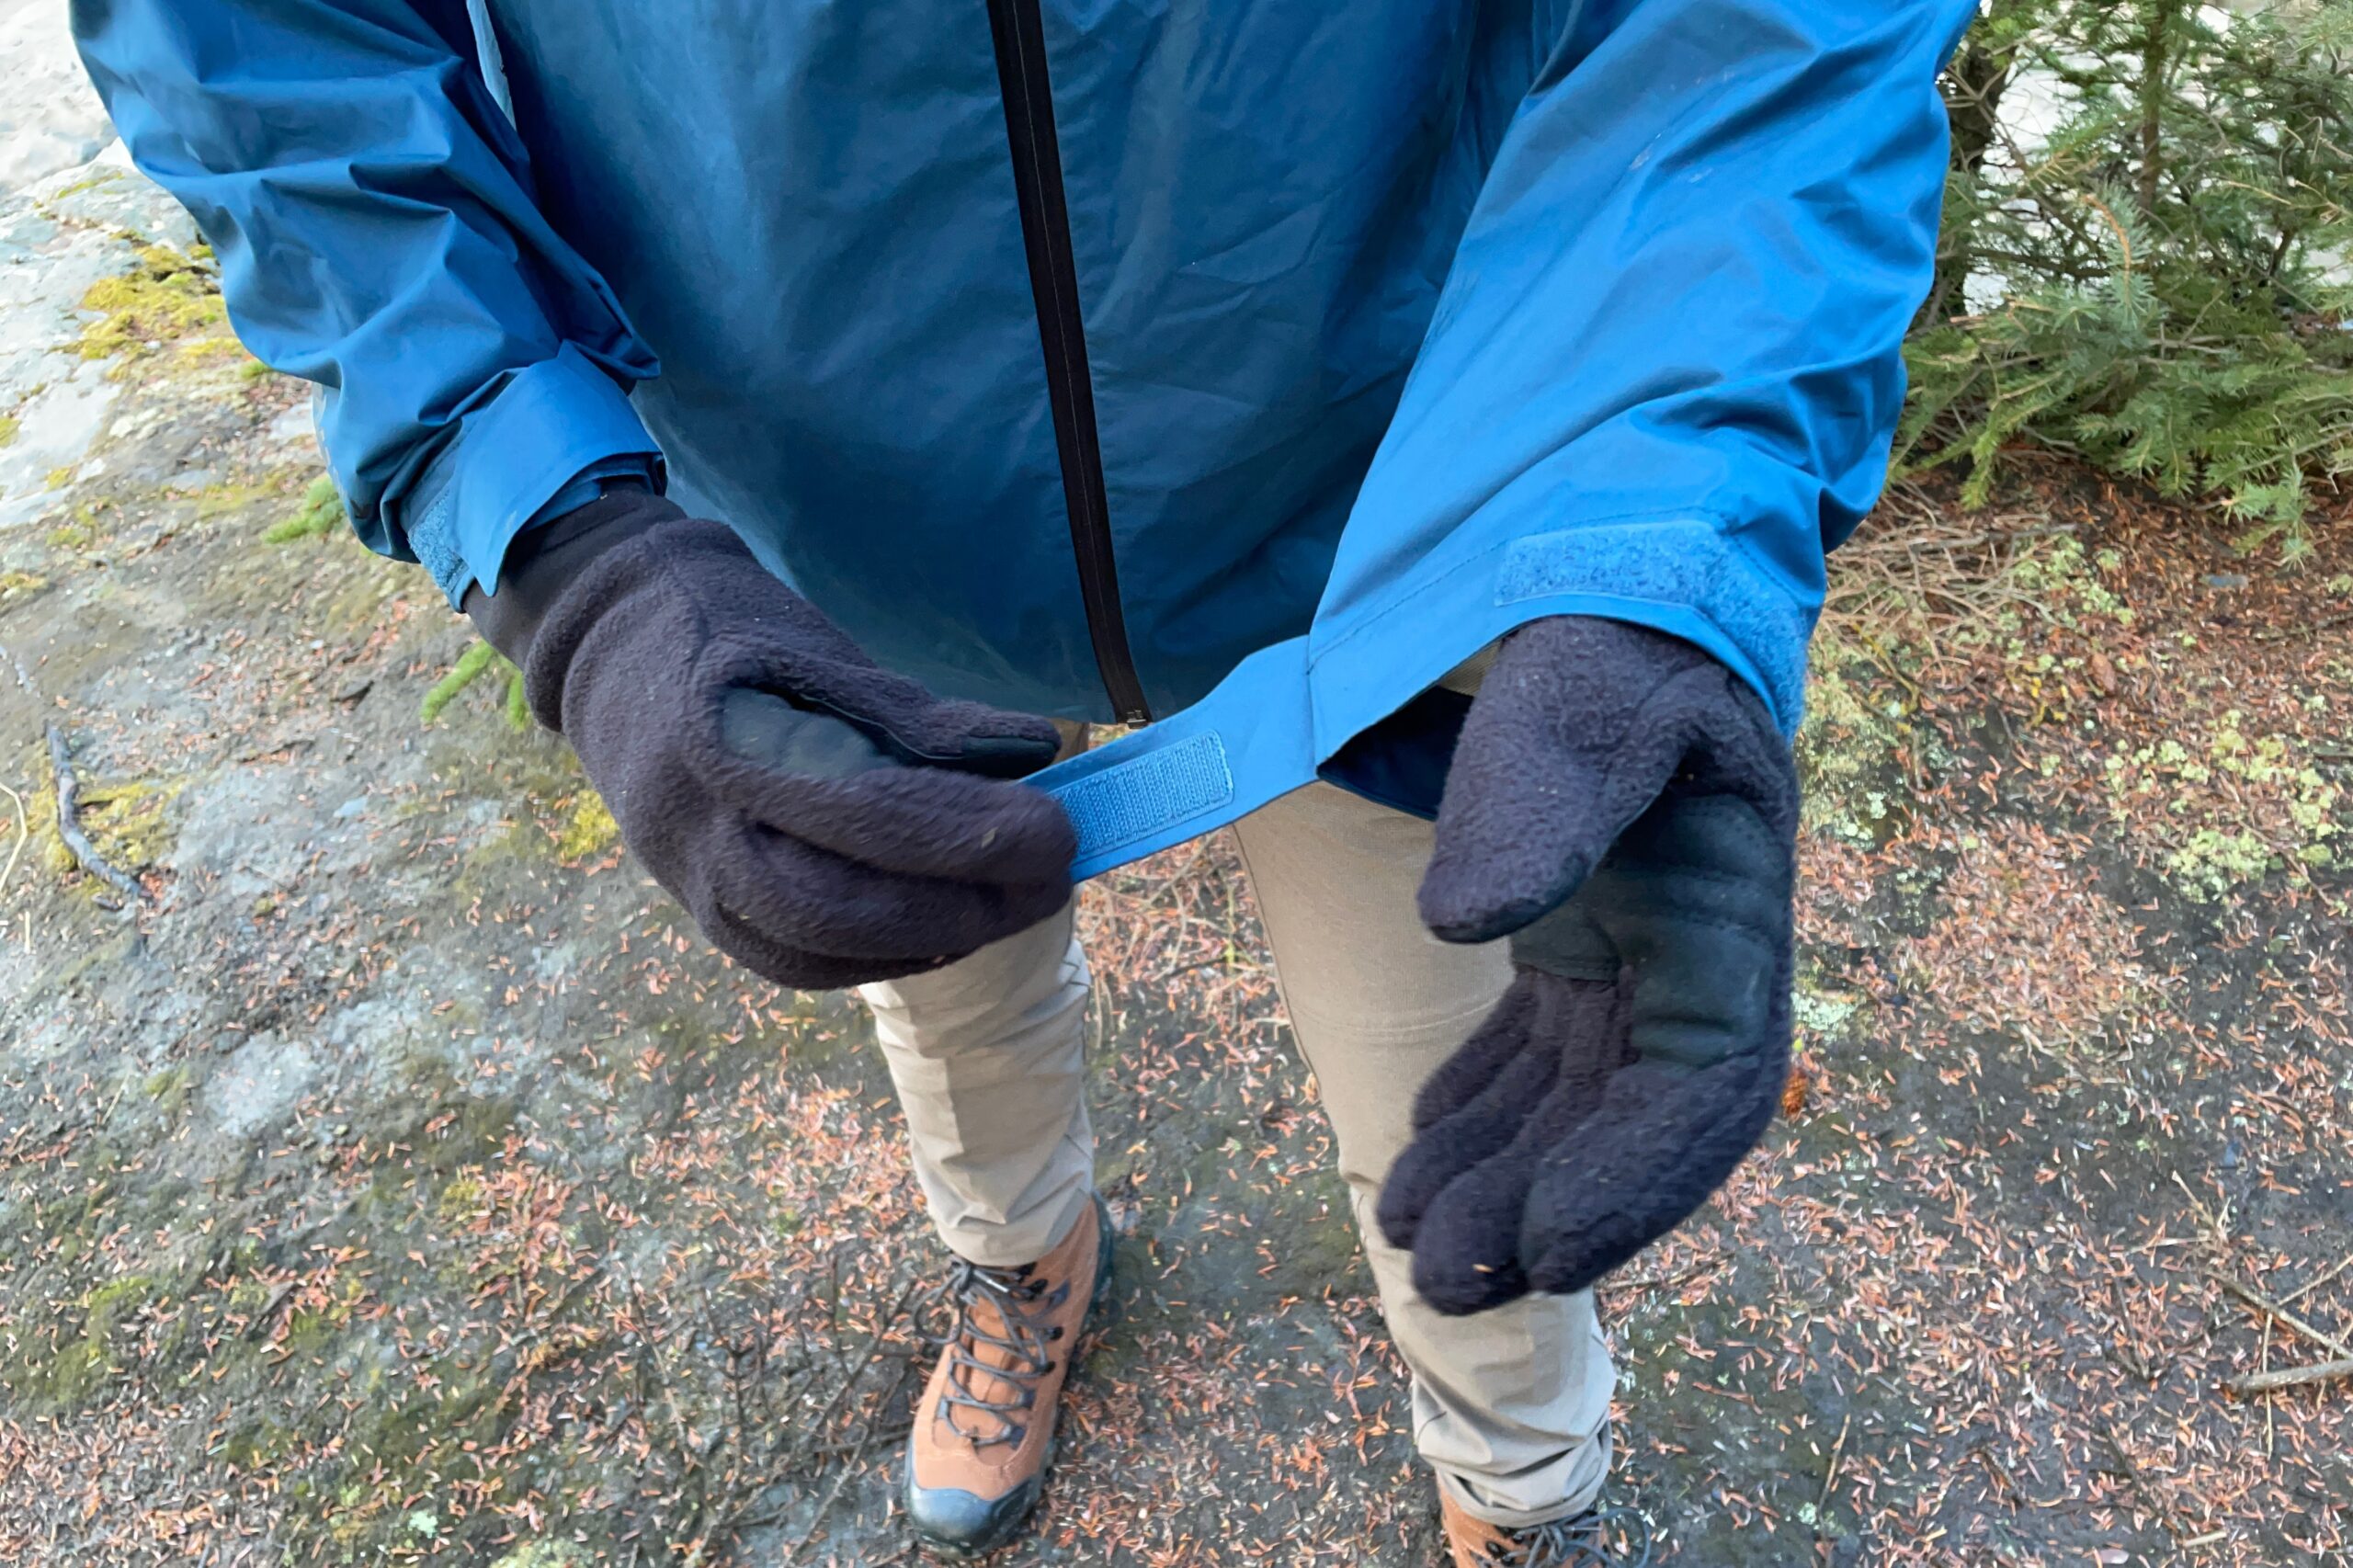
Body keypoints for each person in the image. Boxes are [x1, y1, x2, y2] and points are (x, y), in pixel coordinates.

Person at [74, 2, 1973, 1561]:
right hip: (827, 512)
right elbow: (246, 38)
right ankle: (1021, 1260)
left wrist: (1644, 536)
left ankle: (1518, 1481)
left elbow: (1768, 35)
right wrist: (551, 527)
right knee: (931, 965)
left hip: (1405, 497)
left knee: (1483, 1093)